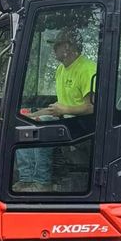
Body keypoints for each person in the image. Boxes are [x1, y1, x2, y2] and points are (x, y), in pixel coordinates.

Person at [19, 29, 96, 189]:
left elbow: (91, 108)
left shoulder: (87, 70)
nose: (53, 50)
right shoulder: (60, 70)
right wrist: (32, 115)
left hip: (83, 125)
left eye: (56, 46)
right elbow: (59, 106)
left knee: (43, 128)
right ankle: (26, 178)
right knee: (24, 124)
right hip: (65, 119)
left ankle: (42, 182)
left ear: (67, 47)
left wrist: (64, 110)